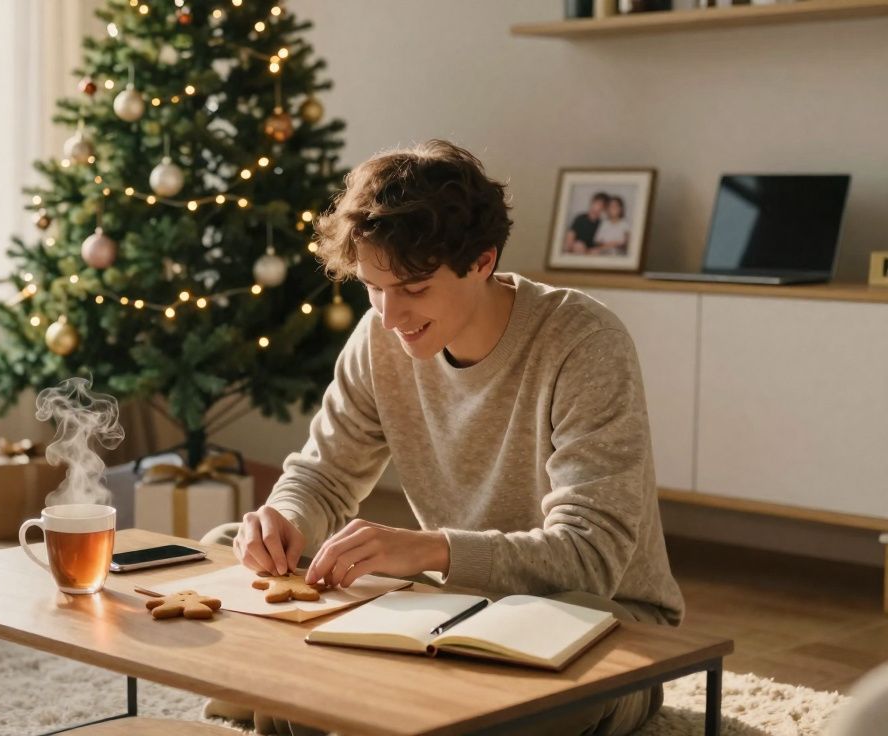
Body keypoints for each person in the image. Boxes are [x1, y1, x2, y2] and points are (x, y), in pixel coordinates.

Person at [202, 139, 684, 736]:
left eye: (414, 288)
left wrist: (431, 550)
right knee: (228, 544)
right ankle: (330, 700)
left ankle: (296, 698)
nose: (389, 315)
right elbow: (323, 475)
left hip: (603, 614)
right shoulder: (380, 337)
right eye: (373, 288)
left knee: (534, 667)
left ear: (482, 261)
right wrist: (285, 519)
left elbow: (589, 560)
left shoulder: (584, 344)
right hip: (450, 603)